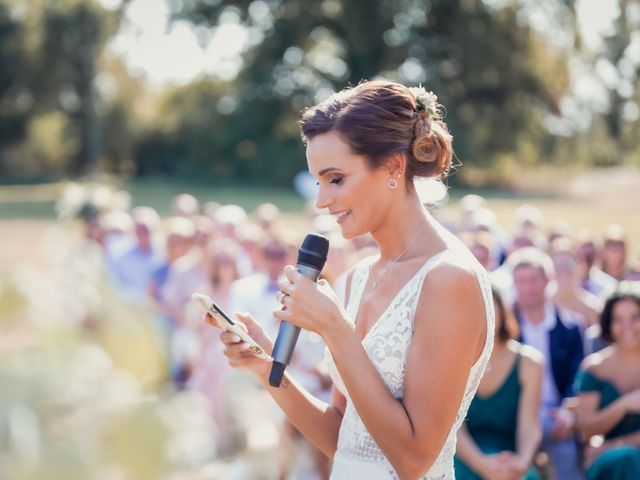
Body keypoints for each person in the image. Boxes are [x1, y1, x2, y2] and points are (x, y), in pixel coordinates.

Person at [211, 80, 494, 479]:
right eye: (318, 181)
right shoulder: (357, 277)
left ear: (394, 167)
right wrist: (267, 369)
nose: (321, 201)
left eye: (336, 179)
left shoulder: (449, 279)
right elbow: (343, 437)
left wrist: (333, 327)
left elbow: (414, 460)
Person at [508, 247, 585, 480]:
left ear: (547, 281)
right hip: (514, 415)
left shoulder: (571, 327)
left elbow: (578, 378)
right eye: (521, 281)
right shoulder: (504, 328)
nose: (528, 288)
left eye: (533, 280)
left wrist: (567, 411)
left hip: (555, 414)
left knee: (568, 458)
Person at [455, 287, 543, 480]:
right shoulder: (452, 361)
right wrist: (483, 466)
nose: (484, 314)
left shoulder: (529, 362)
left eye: (489, 305)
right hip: (464, 458)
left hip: (509, 459)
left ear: (502, 310)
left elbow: (529, 426)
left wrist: (521, 464)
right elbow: (454, 429)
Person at [574, 282, 640, 480]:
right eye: (618, 319)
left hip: (609, 449)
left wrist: (614, 445)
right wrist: (625, 405)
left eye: (635, 317)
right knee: (626, 461)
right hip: (608, 462)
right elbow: (586, 431)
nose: (627, 327)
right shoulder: (594, 367)